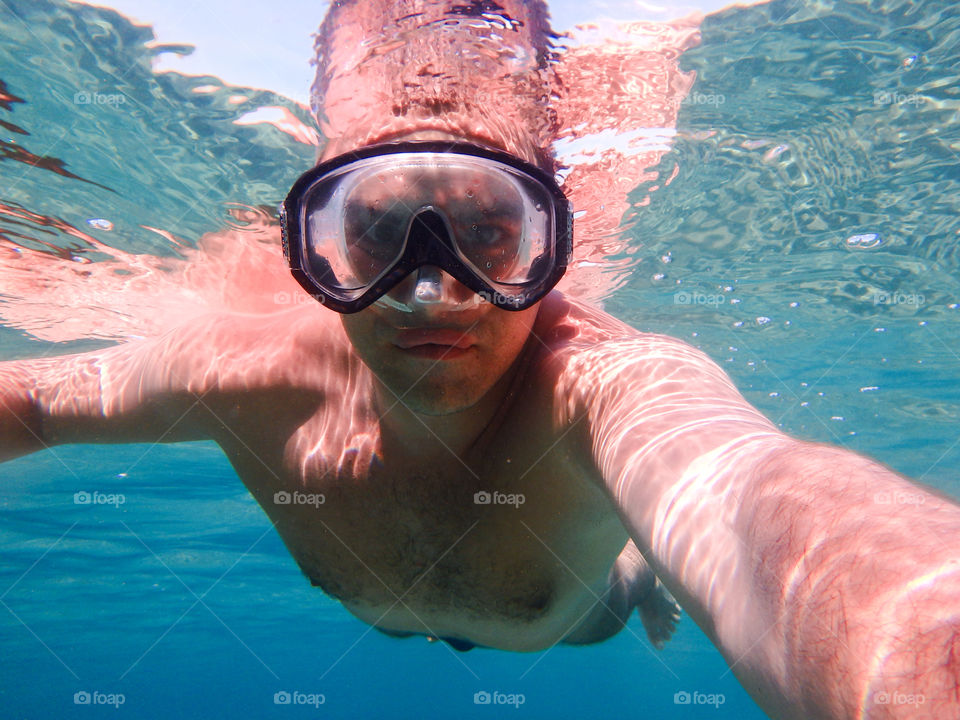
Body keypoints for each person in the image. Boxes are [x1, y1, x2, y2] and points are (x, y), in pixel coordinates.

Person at [2, 1, 959, 718]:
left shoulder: (600, 386)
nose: (431, 290)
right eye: (379, 235)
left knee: (632, 581)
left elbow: (746, 501)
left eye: (489, 236)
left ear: (549, 252)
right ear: (317, 255)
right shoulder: (240, 374)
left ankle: (640, 570)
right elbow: (32, 404)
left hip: (583, 620)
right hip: (471, 611)